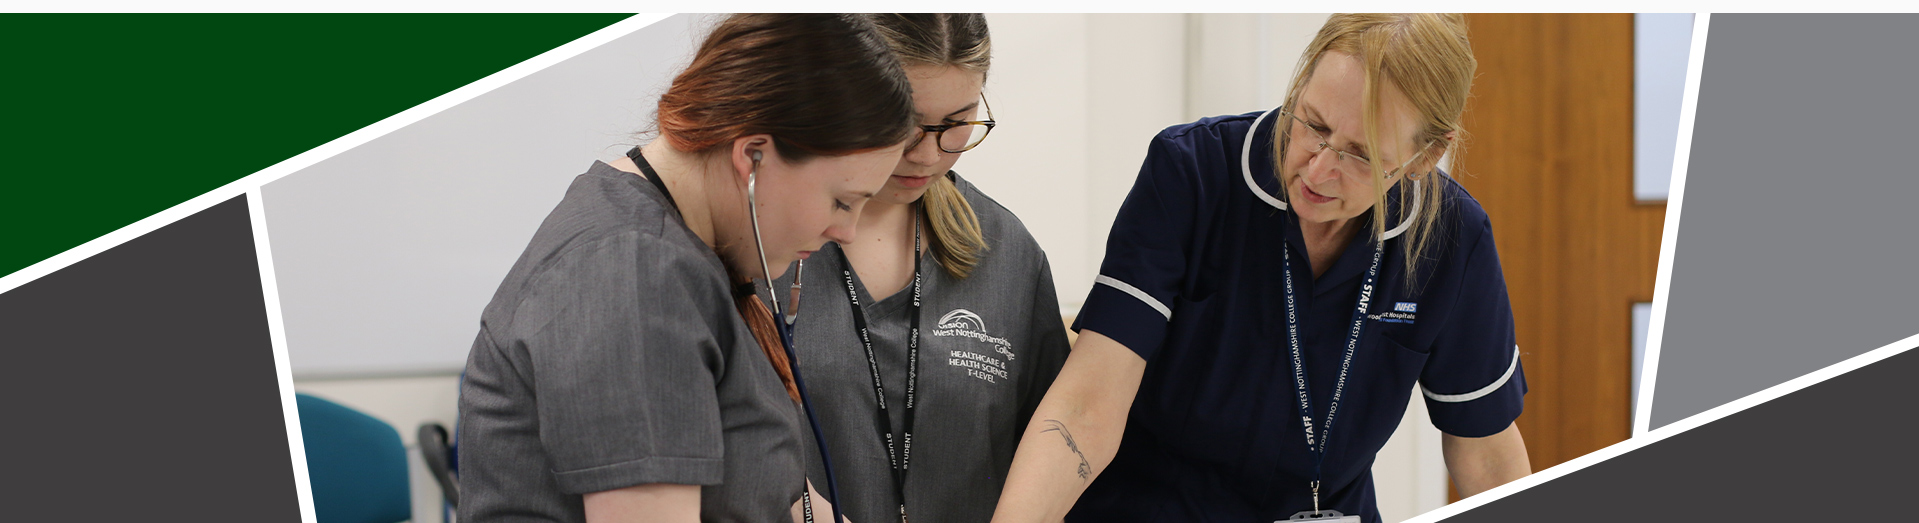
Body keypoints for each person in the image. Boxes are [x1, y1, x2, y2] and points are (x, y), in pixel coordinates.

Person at [990, 14, 1532, 523]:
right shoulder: (1193, 173)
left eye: (1361, 153)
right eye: (1313, 125)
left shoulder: (1453, 238)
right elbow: (1087, 407)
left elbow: (1485, 452)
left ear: (1423, 157)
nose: (1319, 169)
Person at [457, 14, 916, 523]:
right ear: (754, 156)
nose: (847, 231)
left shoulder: (691, 258)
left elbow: (779, 496)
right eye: (842, 201)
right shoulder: (630, 271)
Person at [769, 13, 1071, 523]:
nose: (928, 156)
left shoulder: (1007, 253)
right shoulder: (757, 244)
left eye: (956, 123)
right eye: (904, 125)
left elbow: (1057, 453)